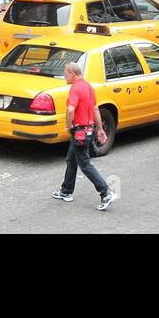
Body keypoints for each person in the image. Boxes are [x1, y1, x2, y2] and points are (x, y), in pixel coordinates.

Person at [51, 62, 115, 211]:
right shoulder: (89, 87)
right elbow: (95, 109)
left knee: (85, 163)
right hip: (88, 130)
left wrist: (68, 125)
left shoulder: (75, 88)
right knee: (71, 159)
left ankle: (105, 192)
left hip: (79, 131)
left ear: (72, 74)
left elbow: (70, 109)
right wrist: (100, 129)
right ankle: (66, 191)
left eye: (65, 73)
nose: (64, 76)